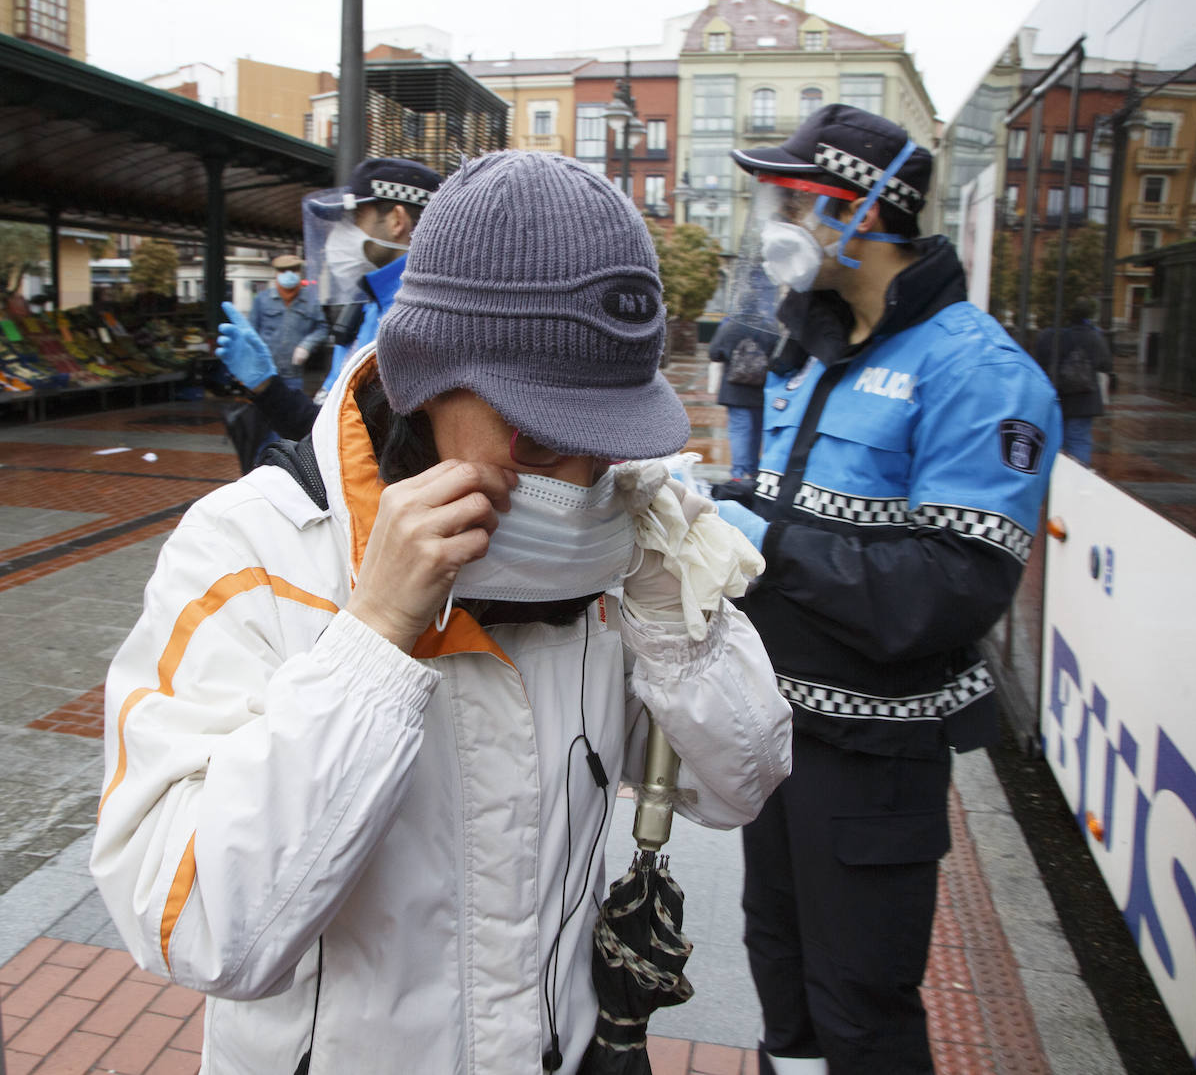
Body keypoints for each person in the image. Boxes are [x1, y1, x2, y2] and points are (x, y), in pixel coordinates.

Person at [91, 151, 793, 1074]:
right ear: (424, 378)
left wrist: (676, 611)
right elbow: (192, 928)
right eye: (538, 434)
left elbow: (736, 786)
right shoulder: (254, 548)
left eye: (604, 439)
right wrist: (373, 636)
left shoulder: (624, 549)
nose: (575, 479)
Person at [714, 104, 1061, 1075]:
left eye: (789, 196)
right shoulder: (818, 345)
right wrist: (710, 508)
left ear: (860, 211)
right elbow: (805, 516)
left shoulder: (977, 373)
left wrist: (767, 542)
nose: (772, 216)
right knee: (781, 985)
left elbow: (951, 590)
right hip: (779, 740)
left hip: (872, 762)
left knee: (861, 1011)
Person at [218, 157, 442, 441]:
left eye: (354, 218)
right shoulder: (371, 305)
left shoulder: (420, 322)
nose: (338, 235)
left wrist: (268, 386)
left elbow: (354, 444)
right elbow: (325, 427)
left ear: (397, 220)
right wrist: (266, 385)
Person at [1034, 294, 1113, 464]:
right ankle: (1078, 480)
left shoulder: (1050, 336)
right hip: (1084, 400)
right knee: (1079, 441)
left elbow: (1039, 361)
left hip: (1056, 397)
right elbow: (1106, 364)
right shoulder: (1094, 337)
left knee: (1052, 441)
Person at [708, 309, 773, 482]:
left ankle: (738, 472)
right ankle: (753, 470)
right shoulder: (768, 326)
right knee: (757, 431)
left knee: (739, 430)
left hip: (734, 389)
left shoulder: (731, 326)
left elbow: (714, 353)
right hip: (760, 389)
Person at [248, 254, 327, 392]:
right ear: (276, 274)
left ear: (300, 273)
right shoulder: (262, 300)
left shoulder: (311, 301)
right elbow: (251, 332)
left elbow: (322, 328)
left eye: (294, 269)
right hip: (266, 372)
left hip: (294, 373)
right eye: (283, 271)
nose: (289, 274)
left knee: (293, 410)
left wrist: (306, 346)